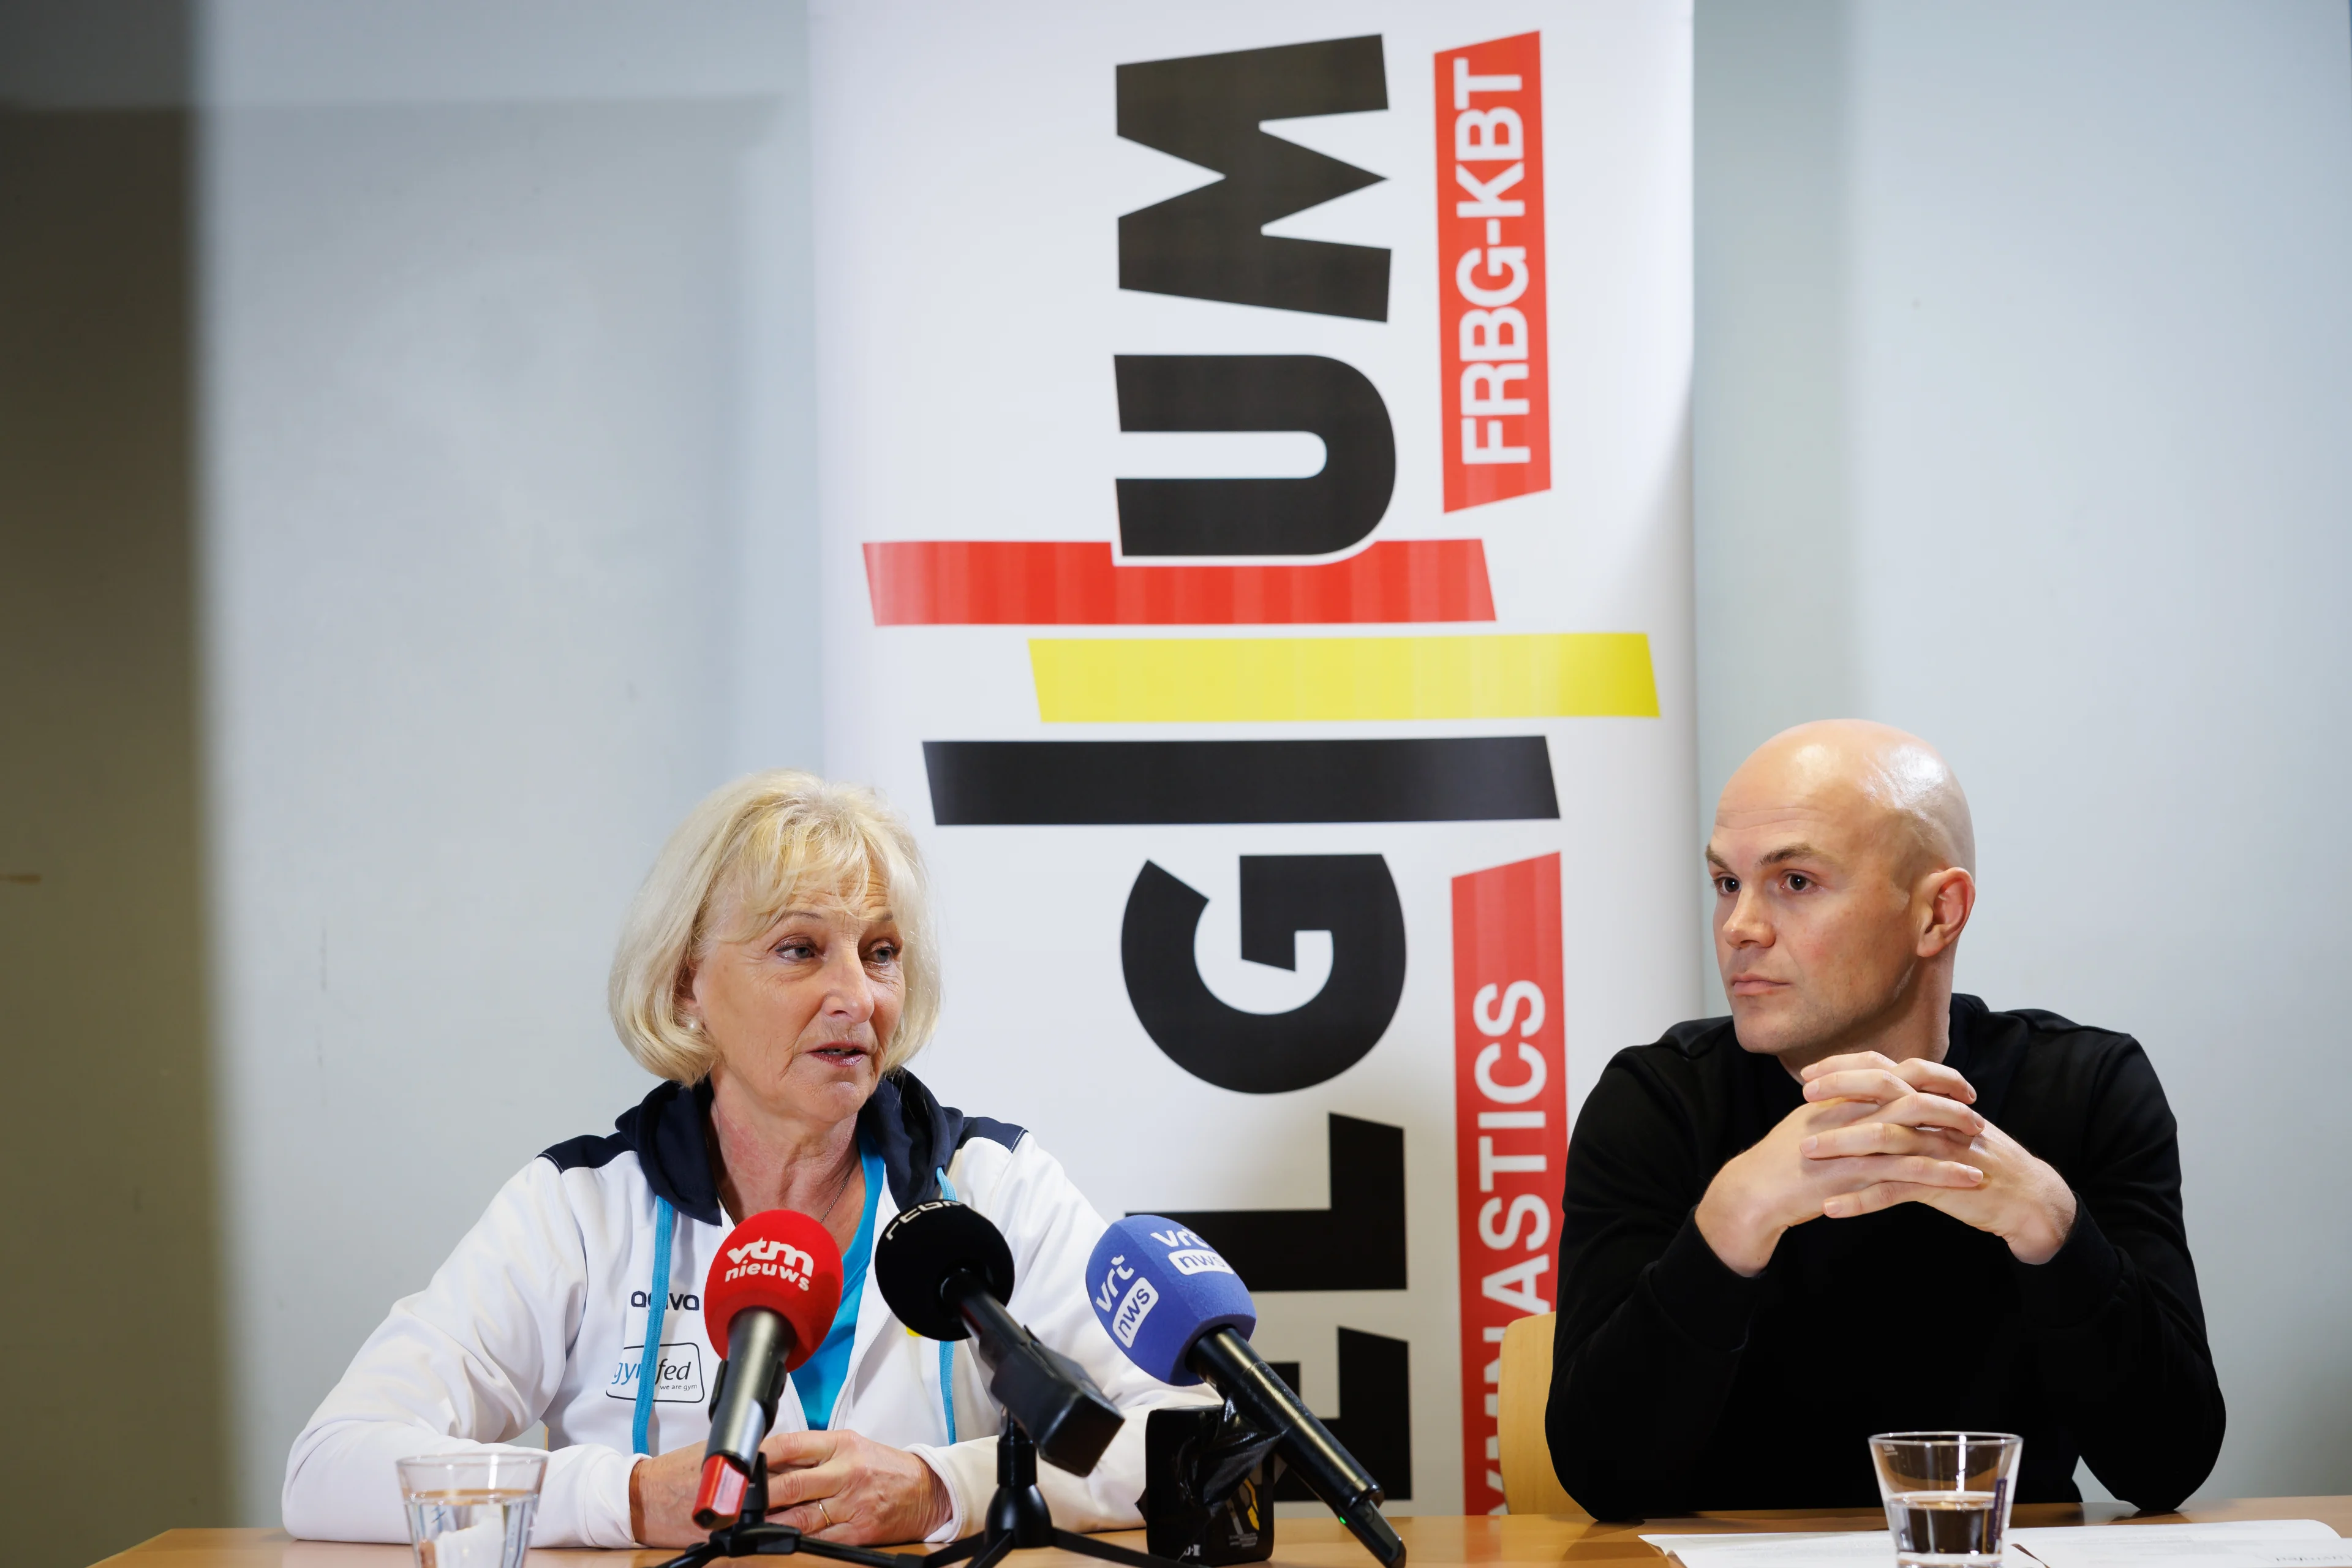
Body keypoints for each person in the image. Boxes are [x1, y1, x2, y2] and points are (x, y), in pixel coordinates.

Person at [284, 771, 1209, 1548]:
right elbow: (331, 1466)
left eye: (880, 953)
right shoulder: (578, 1209)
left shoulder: (992, 1185)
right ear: (688, 982)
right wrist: (631, 1498)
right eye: (800, 949)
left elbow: (1195, 1433)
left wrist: (942, 1488)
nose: (856, 996)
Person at [1546, 721, 2223, 1518]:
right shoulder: (1658, 1102)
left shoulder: (2085, 1088)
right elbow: (1604, 1475)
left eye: (1795, 882)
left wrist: (2051, 1227)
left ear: (1939, 913)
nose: (1740, 928)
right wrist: (1730, 1224)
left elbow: (2167, 1464)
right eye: (1727, 883)